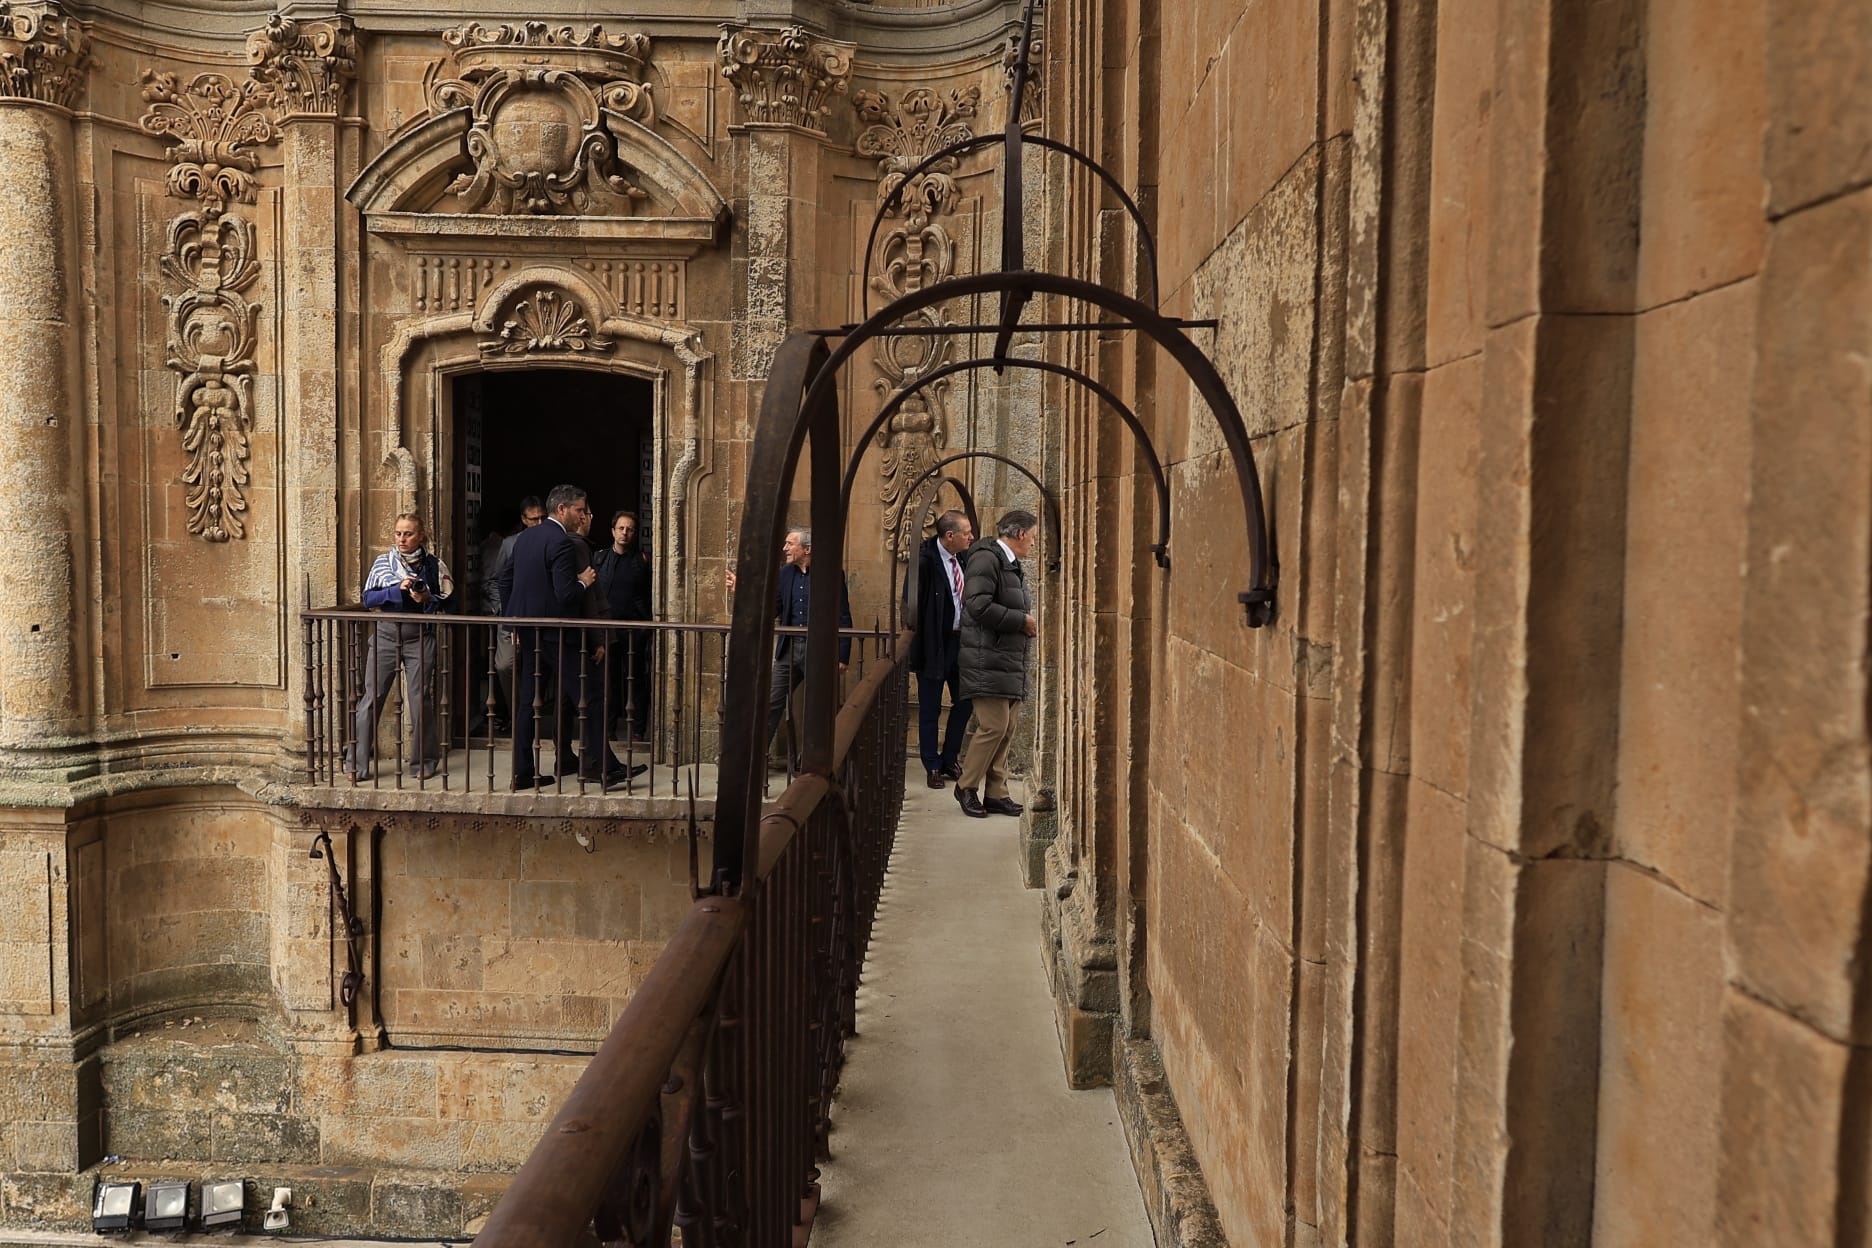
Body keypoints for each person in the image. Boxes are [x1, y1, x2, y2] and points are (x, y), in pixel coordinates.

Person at [494, 484, 639, 790]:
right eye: (579, 510)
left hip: (529, 631)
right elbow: (566, 595)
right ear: (562, 509)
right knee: (590, 696)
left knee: (526, 704)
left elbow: (505, 581)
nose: (583, 515)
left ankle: (522, 773)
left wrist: (513, 623)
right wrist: (584, 581)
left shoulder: (526, 537)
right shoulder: (560, 541)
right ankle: (605, 768)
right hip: (558, 634)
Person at [726, 526, 852, 765]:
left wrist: (843, 655)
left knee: (818, 708)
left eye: (789, 544)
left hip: (819, 651)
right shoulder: (785, 574)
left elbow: (842, 615)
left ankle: (814, 762)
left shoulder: (831, 573)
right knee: (771, 702)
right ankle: (755, 760)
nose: (784, 548)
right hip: (788, 649)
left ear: (807, 549)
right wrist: (742, 591)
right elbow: (772, 609)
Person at [348, 513, 453, 781]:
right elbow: (369, 597)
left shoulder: (433, 565)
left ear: (421, 536)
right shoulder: (384, 563)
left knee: (420, 700)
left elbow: (449, 601)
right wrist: (397, 589)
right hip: (386, 634)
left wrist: (427, 596)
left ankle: (424, 762)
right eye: (398, 533)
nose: (402, 539)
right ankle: (356, 764)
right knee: (372, 698)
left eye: (408, 534)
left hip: (420, 636)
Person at [954, 508, 1039, 818]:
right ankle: (966, 786)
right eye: (1032, 537)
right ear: (1019, 534)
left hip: (1005, 660)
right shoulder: (987, 558)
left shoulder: (1009, 564)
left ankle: (996, 793)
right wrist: (1021, 622)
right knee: (993, 726)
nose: (1033, 543)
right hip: (986, 658)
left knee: (1007, 727)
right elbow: (977, 605)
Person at [905, 510, 975, 788]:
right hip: (934, 644)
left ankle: (949, 758)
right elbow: (910, 608)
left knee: (966, 701)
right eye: (966, 532)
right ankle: (931, 764)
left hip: (961, 643)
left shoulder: (964, 558)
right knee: (930, 708)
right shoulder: (924, 562)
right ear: (950, 536)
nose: (971, 536)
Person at [476, 496, 544, 736]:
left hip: (543, 617)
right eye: (533, 519)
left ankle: (539, 719)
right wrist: (501, 609)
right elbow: (497, 579)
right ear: (523, 520)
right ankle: (519, 719)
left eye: (541, 518)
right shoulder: (509, 544)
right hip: (512, 615)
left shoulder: (554, 541)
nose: (538, 523)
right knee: (504, 665)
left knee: (542, 667)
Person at [592, 510, 653, 741]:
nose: (625, 533)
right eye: (621, 528)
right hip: (607, 630)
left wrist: (646, 626)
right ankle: (608, 731)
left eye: (630, 529)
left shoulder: (642, 561)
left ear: (635, 533)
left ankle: (638, 730)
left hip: (634, 630)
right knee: (608, 681)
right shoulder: (600, 558)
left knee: (636, 678)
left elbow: (647, 596)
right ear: (613, 531)